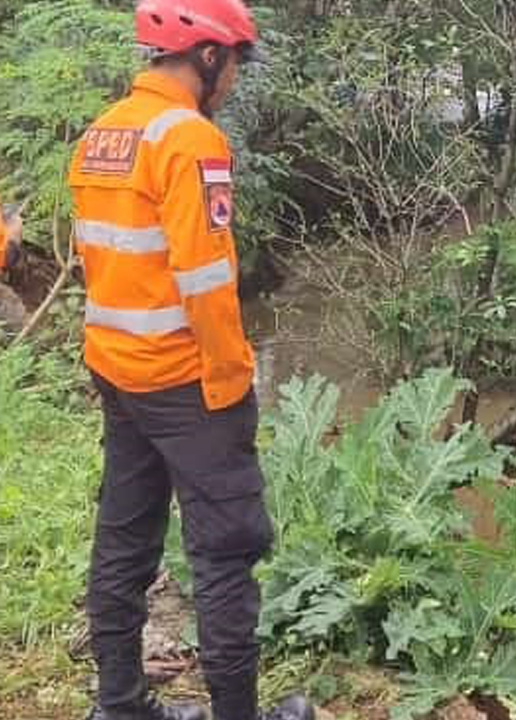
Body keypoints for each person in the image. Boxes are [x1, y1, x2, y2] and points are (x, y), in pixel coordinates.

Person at [67, 2, 313, 719]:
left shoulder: (103, 133)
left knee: (123, 538)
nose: (235, 79)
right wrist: (233, 379)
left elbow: (98, 259)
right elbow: (206, 282)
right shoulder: (190, 140)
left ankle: (120, 706)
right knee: (225, 551)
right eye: (234, 61)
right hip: (183, 379)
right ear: (207, 57)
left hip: (116, 369)